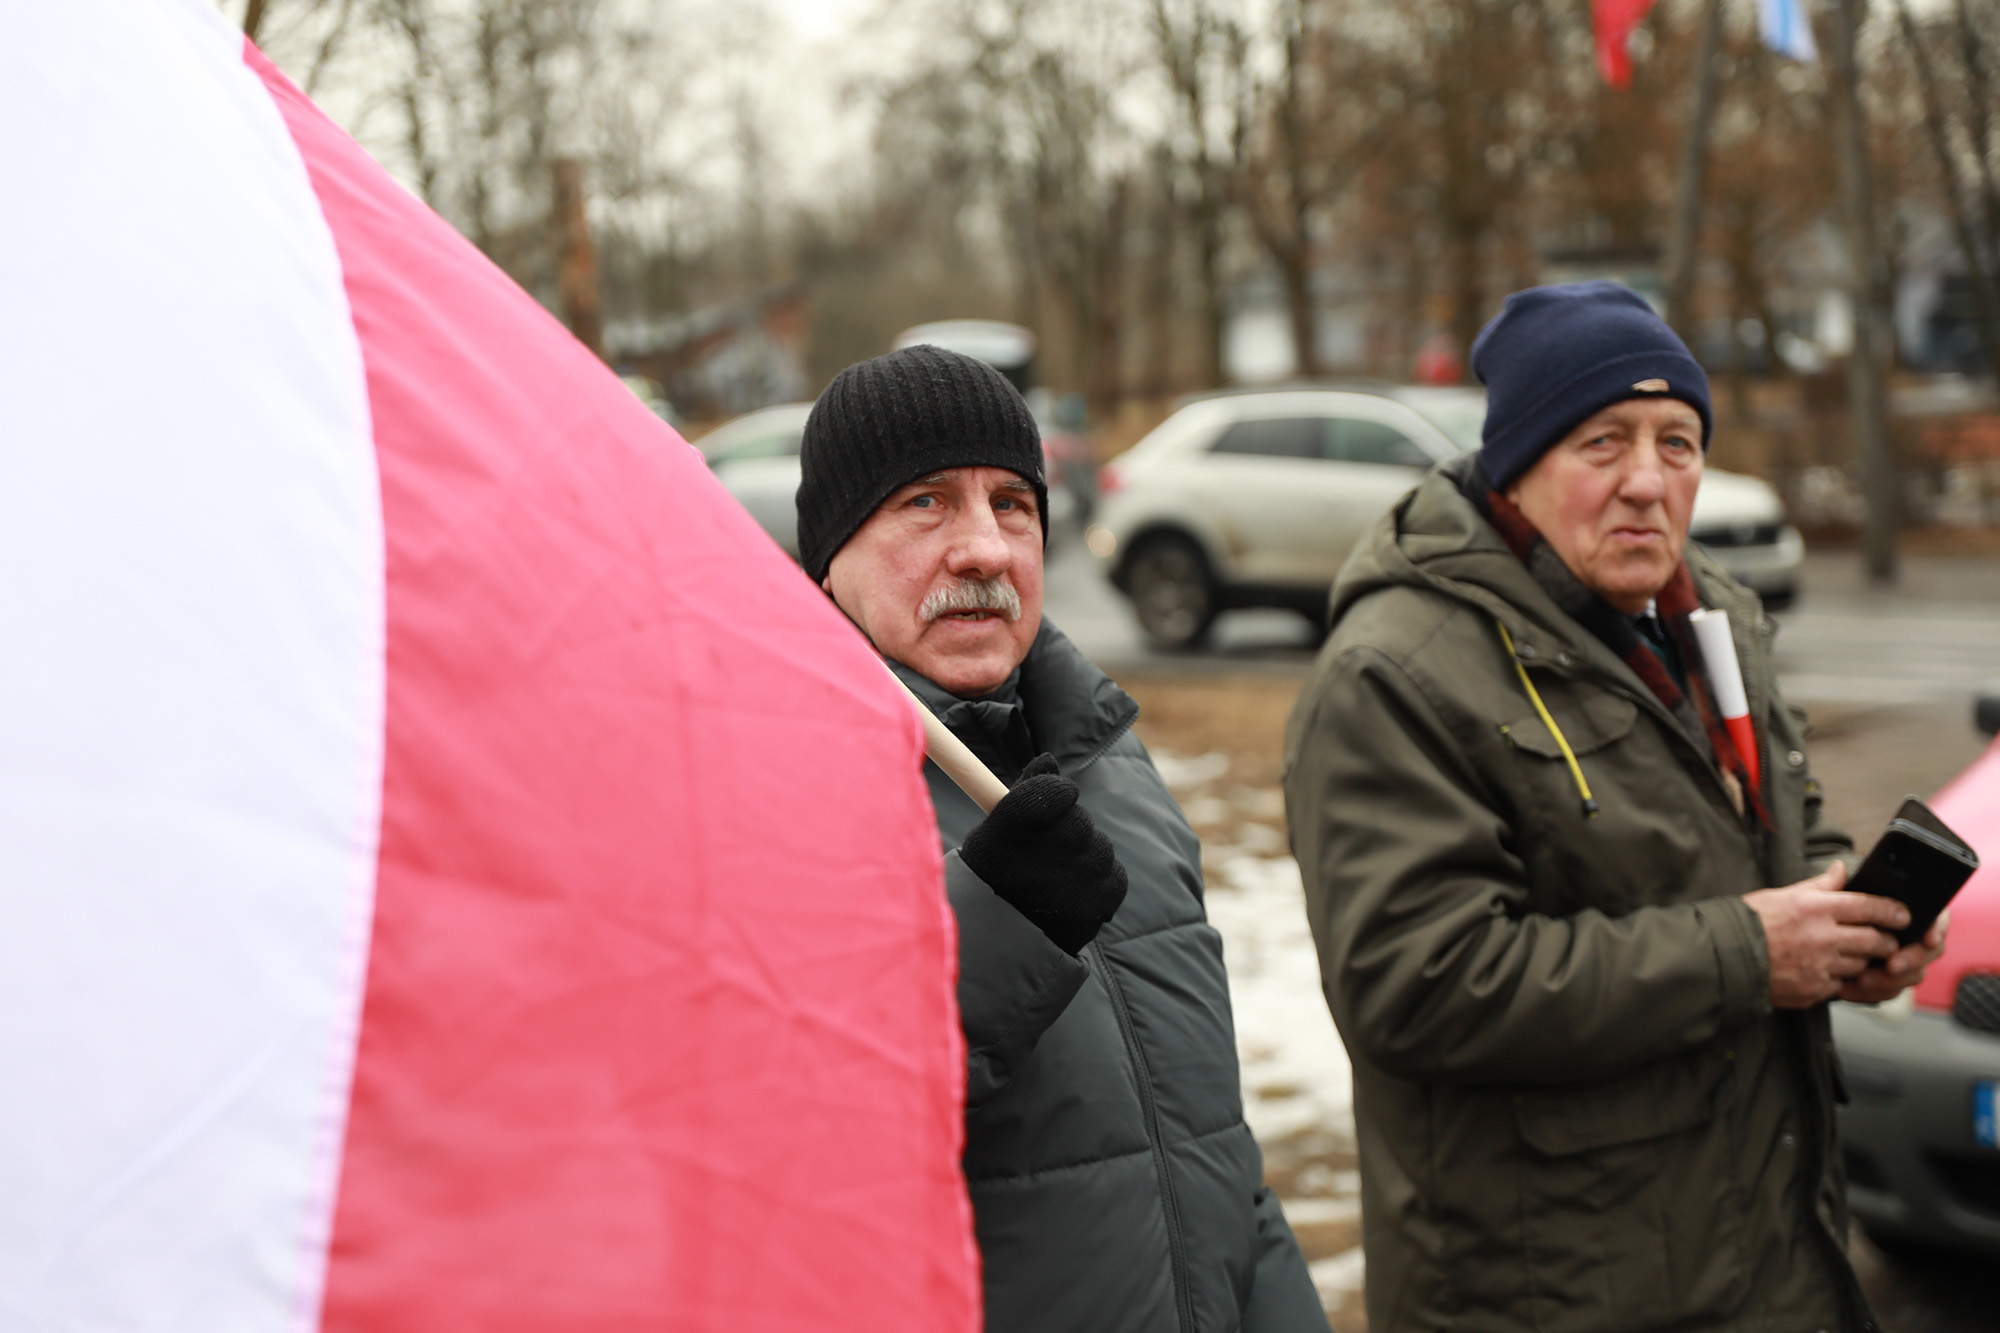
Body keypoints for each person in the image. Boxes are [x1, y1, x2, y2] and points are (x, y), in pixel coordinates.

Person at [1282, 282, 1947, 1333]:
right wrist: (1752, 952)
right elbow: (1414, 985)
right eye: (1602, 442)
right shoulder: (1394, 674)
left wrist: (1844, 919)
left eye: (1677, 442)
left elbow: (1766, 827)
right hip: (1548, 1285)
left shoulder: (1709, 616)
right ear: (1516, 463)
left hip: (1759, 1255)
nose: (1647, 481)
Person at [796, 344, 1325, 1333]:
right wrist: (999, 919)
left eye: (1012, 504)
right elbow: (793, 1133)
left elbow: (1210, 1145)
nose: (984, 550)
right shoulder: (780, 793)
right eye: (924, 502)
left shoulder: (1115, 767)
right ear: (830, 559)